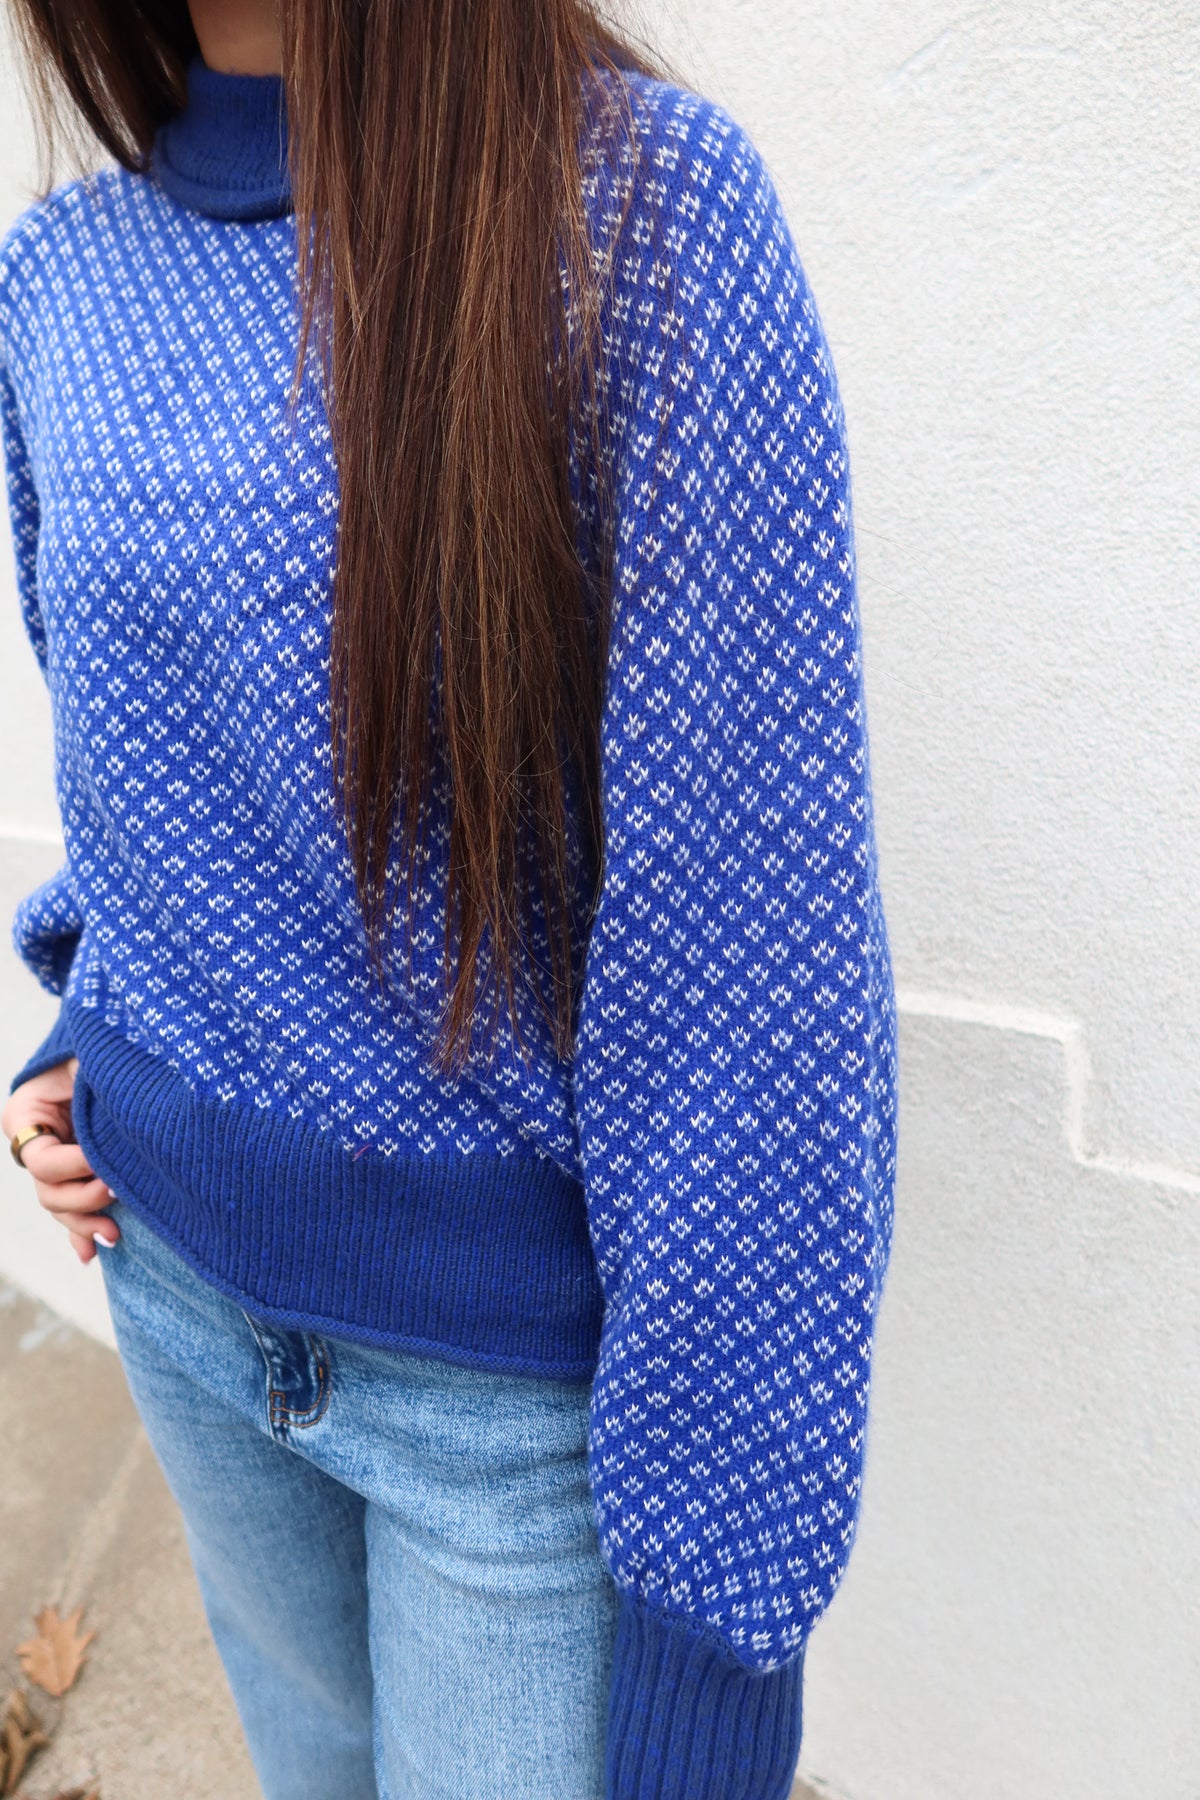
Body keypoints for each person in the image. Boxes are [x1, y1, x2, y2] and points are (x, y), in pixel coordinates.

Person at [0, 0, 898, 1793]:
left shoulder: (636, 222)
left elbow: (753, 965)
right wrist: (86, 1023)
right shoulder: (61, 273)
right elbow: (146, 761)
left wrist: (719, 1631)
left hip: (504, 1410)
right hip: (172, 1295)